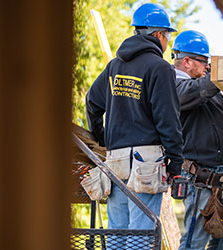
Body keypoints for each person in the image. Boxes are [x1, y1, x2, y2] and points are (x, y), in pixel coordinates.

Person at [85, 3, 183, 248]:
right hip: (147, 161)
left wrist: (105, 140)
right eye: (167, 36)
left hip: (116, 159)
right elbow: (167, 120)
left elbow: (92, 103)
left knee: (117, 234)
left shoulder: (114, 67)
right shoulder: (159, 68)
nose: (167, 42)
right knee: (140, 236)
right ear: (158, 35)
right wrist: (176, 161)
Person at [173, 30, 223, 250]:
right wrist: (219, 74)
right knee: (196, 240)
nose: (207, 67)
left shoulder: (202, 86)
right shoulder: (174, 85)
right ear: (186, 61)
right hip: (201, 178)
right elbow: (195, 93)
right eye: (204, 62)